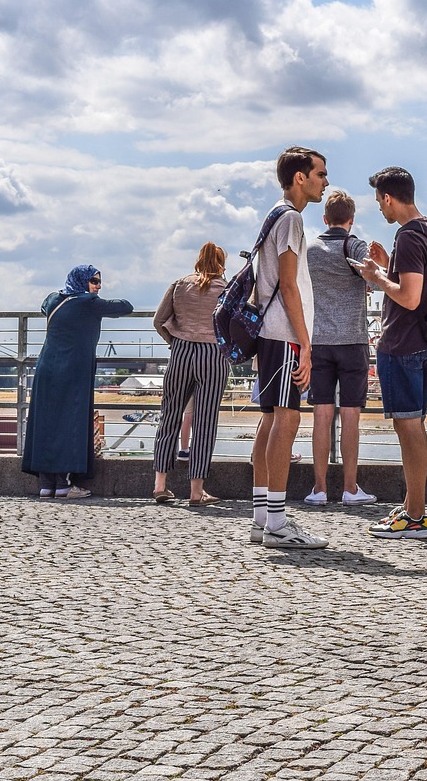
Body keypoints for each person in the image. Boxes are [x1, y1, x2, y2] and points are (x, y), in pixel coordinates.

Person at [355, 166, 427, 539]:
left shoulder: (408, 236)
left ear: (389, 198)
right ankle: (412, 506)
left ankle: (416, 515)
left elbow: (408, 296)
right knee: (415, 425)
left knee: (408, 428)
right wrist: (389, 267)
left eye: (379, 201)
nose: (380, 209)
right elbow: (418, 284)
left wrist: (376, 278)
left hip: (403, 342)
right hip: (426, 340)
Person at [249, 146, 328, 549]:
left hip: (268, 333)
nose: (325, 182)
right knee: (287, 420)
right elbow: (290, 284)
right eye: (319, 174)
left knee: (269, 421)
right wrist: (306, 343)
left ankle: (262, 516)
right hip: (284, 334)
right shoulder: (293, 219)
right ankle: (277, 523)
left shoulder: (273, 215)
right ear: (300, 177)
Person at [21, 265, 133, 498]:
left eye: (99, 281)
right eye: (94, 281)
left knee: (45, 422)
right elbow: (125, 306)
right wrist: (88, 297)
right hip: (73, 371)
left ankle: (46, 484)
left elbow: (44, 306)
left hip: (46, 368)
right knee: (69, 423)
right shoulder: (88, 303)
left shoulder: (53, 299)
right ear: (83, 282)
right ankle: (63, 485)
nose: (98, 286)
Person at [302, 190, 377, 507]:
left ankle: (319, 489)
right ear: (351, 219)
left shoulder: (311, 249)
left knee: (320, 416)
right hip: (352, 341)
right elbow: (374, 278)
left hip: (318, 342)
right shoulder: (355, 245)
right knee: (350, 417)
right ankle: (349, 488)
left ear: (324, 219)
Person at [151, 242, 230, 506]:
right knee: (205, 422)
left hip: (181, 352)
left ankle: (160, 484)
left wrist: (174, 341)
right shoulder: (225, 289)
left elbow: (158, 320)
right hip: (213, 353)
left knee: (170, 416)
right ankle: (196, 492)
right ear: (221, 263)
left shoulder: (179, 285)